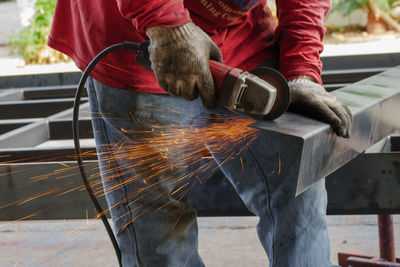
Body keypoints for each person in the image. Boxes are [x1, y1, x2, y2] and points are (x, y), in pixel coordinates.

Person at [48, 1, 352, 266]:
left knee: (296, 177)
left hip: (240, 32)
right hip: (139, 33)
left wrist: (301, 69)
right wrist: (164, 23)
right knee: (159, 231)